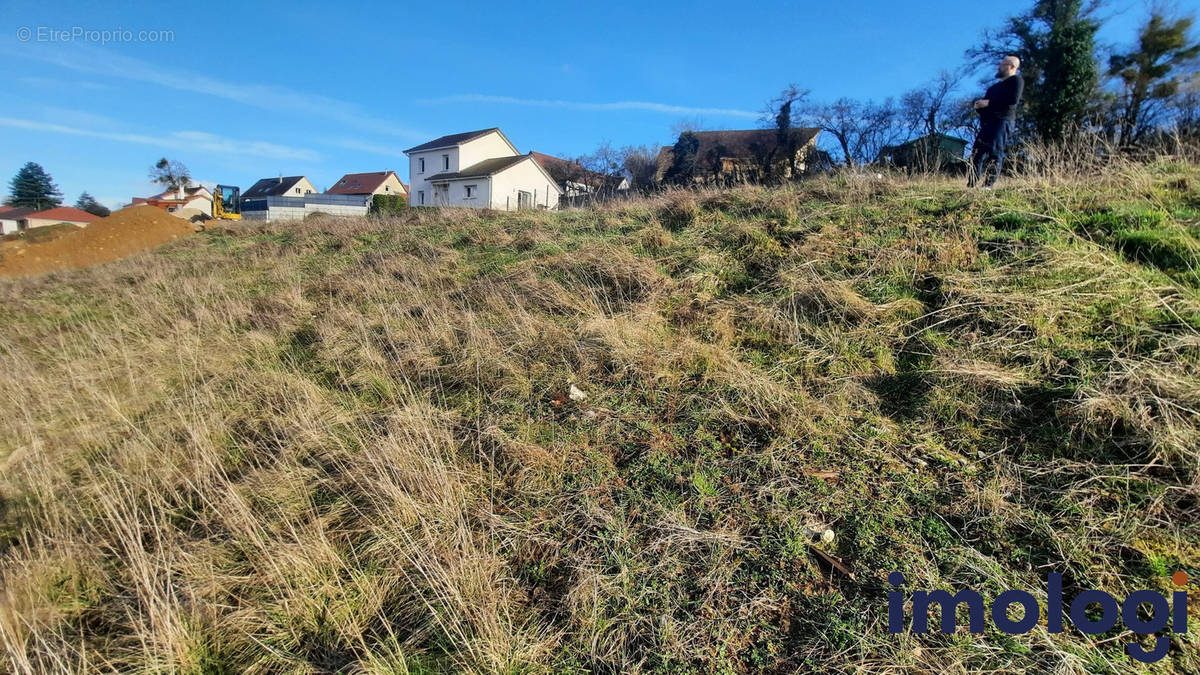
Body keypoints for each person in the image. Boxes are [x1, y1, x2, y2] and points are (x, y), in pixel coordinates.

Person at [968, 56, 1024, 188]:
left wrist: (988, 103)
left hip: (1003, 121)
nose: (999, 67)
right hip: (988, 123)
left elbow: (1012, 100)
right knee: (976, 153)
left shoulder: (1016, 81)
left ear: (1011, 67)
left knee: (995, 151)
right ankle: (971, 184)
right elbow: (986, 106)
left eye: (1003, 64)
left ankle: (988, 185)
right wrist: (979, 106)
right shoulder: (993, 88)